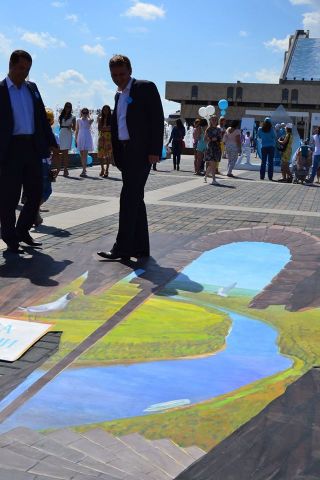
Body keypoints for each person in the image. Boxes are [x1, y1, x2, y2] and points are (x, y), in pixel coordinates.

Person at [97, 54, 164, 260]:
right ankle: (141, 248)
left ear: (130, 71)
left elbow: (157, 119)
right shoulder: (119, 95)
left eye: (122, 74)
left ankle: (122, 248)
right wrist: (116, 154)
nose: (118, 78)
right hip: (125, 153)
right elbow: (119, 125)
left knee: (128, 199)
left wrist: (155, 150)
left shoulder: (145, 87)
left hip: (141, 153)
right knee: (136, 199)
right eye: (114, 75)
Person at [0, 50, 58, 253]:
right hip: (10, 150)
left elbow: (41, 117)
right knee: (9, 197)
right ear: (11, 65)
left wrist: (51, 142)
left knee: (36, 193)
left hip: (32, 147)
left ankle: (22, 230)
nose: (24, 73)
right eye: (21, 68)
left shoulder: (32, 88)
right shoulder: (1, 90)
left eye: (27, 69)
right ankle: (9, 236)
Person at [58, 102, 75, 177]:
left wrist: (71, 126)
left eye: (69, 107)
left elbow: (75, 129)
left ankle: (65, 169)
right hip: (62, 132)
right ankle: (63, 168)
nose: (68, 108)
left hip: (68, 133)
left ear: (71, 108)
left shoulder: (73, 117)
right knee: (61, 151)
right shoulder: (61, 116)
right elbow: (60, 125)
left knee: (66, 152)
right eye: (66, 106)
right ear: (64, 107)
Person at [75, 107, 94, 178]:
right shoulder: (78, 120)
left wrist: (89, 116)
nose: (85, 114)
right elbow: (76, 130)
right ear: (81, 113)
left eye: (86, 112)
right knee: (81, 154)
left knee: (85, 155)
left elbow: (91, 120)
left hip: (87, 137)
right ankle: (84, 168)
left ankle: (83, 170)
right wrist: (76, 139)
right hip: (80, 137)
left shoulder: (90, 120)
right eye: (84, 112)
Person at [204, 115, 221, 185]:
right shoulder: (208, 129)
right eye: (212, 119)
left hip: (217, 148)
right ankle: (214, 179)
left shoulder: (218, 129)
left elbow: (220, 138)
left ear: (217, 121)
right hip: (210, 148)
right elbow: (205, 140)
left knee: (212, 165)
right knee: (213, 164)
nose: (214, 121)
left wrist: (218, 139)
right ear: (210, 120)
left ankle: (205, 176)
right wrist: (211, 139)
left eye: (215, 119)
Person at [97, 105, 113, 178]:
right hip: (101, 138)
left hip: (108, 138)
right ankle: (102, 168)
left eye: (107, 109)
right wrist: (106, 128)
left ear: (109, 111)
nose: (105, 111)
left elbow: (112, 128)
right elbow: (99, 128)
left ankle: (107, 169)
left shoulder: (112, 118)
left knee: (108, 154)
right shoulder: (100, 119)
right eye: (104, 109)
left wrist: (105, 128)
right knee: (100, 154)